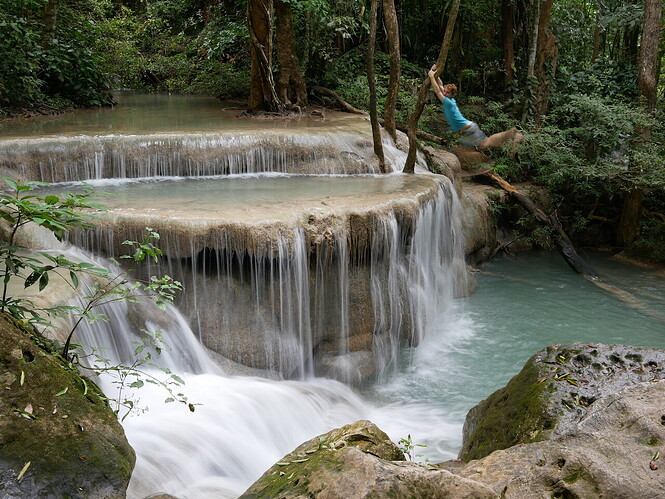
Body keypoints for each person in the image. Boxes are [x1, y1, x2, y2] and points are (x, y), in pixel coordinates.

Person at [428, 64, 522, 152]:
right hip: (467, 129)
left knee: (486, 143)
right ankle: (508, 138)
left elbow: (437, 91)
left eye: (447, 92)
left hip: (468, 128)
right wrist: (435, 71)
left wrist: (432, 76)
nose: (444, 93)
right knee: (478, 146)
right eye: (445, 91)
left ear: (451, 95)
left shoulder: (448, 102)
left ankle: (511, 135)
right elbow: (440, 85)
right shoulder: (450, 100)